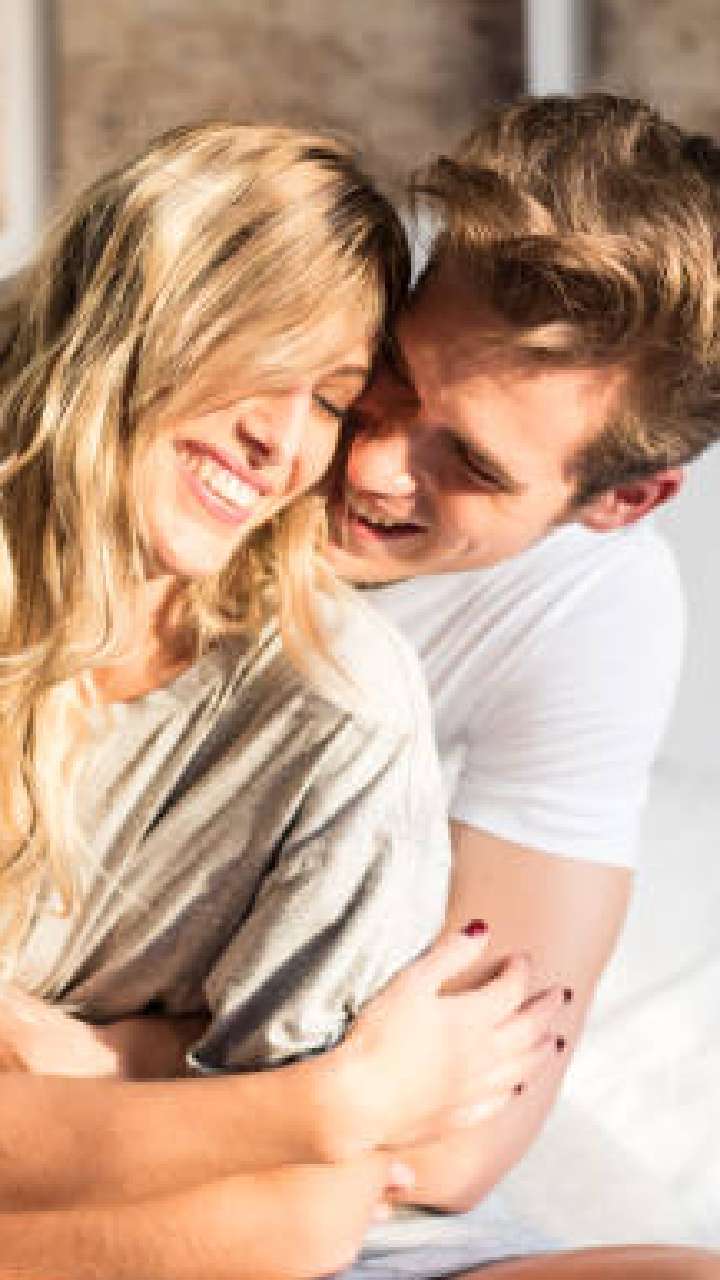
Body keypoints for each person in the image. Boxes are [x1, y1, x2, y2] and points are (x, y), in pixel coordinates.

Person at [0, 120, 565, 1278]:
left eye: (333, 400)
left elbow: (302, 1218)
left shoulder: (337, 710)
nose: (281, 442)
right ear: (133, 316)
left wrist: (105, 1065)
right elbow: (308, 1159)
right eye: (259, 358)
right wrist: (332, 1099)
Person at [323, 95, 720, 1274]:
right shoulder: (218, 372)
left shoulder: (597, 606)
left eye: (472, 463)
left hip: (336, 1166)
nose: (371, 461)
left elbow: (454, 1147)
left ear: (621, 501)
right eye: (393, 375)